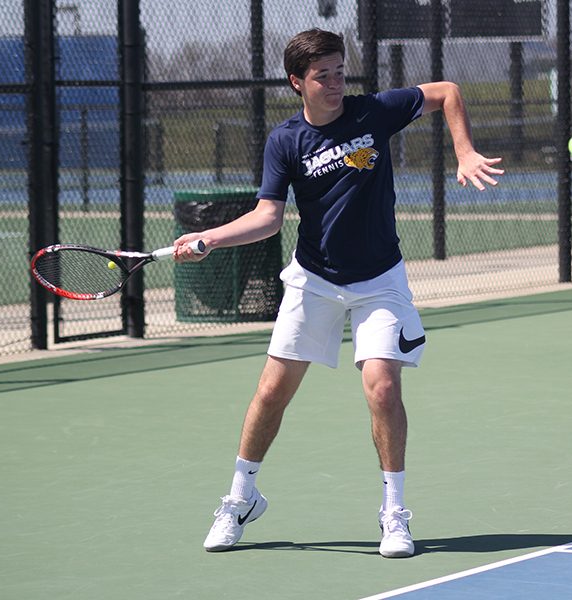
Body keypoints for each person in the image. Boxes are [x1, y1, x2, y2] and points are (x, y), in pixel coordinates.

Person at [173, 28, 503, 558]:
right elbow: (268, 216)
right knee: (271, 392)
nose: (333, 83)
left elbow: (446, 92)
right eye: (321, 75)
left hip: (379, 281)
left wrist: (464, 151)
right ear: (296, 83)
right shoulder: (285, 141)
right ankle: (240, 498)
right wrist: (208, 238)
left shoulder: (373, 112)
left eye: (339, 71)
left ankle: (393, 514)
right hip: (314, 281)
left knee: (381, 387)